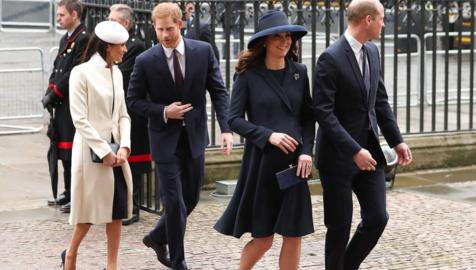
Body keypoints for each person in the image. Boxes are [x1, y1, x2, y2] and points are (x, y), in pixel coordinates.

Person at [127, 3, 233, 270]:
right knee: (173, 202)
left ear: (180, 24)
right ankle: (178, 260)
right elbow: (133, 101)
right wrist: (164, 111)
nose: (164, 35)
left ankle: (156, 237)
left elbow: (219, 91)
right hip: (164, 140)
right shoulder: (146, 60)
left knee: (191, 199)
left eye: (169, 29)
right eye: (160, 30)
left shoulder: (203, 51)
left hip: (195, 138)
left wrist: (227, 129)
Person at [313, 0, 413, 269]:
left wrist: (397, 141)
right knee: (339, 227)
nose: (384, 23)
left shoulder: (372, 52)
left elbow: (380, 101)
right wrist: (353, 150)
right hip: (338, 159)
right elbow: (324, 113)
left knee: (378, 217)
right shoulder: (330, 58)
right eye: (382, 18)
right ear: (368, 19)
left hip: (371, 154)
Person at [214, 10, 315, 270]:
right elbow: (233, 119)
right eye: (278, 37)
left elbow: (307, 119)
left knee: (293, 234)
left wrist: (306, 152)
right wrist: (268, 135)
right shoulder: (248, 75)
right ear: (265, 41)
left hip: (296, 166)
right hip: (263, 166)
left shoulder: (300, 72)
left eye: (288, 36)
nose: (284, 41)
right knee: (264, 239)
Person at [61, 21, 133, 270]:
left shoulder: (117, 73)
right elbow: (79, 119)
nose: (125, 49)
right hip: (91, 152)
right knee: (88, 213)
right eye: (120, 45)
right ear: (107, 47)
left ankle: (111, 265)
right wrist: (103, 151)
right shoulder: (81, 73)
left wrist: (124, 146)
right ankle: (70, 255)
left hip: (116, 152)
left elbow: (123, 115)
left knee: (117, 211)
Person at [42, 0, 89, 214]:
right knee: (62, 151)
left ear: (74, 14)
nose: (58, 19)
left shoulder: (84, 38)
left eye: (61, 15)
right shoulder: (65, 38)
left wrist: (56, 92)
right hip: (61, 104)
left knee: (73, 152)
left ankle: (77, 195)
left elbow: (75, 71)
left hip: (73, 101)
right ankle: (68, 191)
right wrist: (49, 91)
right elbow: (58, 68)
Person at [108, 3, 150, 226]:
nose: (108, 24)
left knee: (134, 160)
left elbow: (122, 74)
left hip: (134, 109)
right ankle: (122, 203)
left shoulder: (135, 45)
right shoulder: (114, 44)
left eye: (113, 21)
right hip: (118, 108)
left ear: (125, 23)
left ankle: (134, 206)